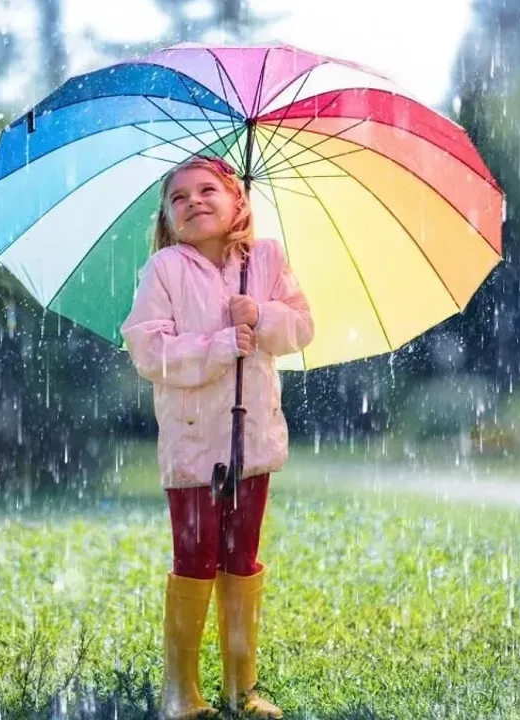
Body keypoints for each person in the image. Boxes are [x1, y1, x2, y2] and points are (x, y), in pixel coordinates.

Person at [121, 155, 314, 719]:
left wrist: (262, 314)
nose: (194, 202)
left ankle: (240, 688)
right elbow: (148, 350)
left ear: (237, 200)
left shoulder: (266, 259)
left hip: (251, 442)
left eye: (208, 190)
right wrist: (218, 345)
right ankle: (180, 693)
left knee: (241, 556)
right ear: (168, 217)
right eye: (178, 198)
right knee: (196, 556)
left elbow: (301, 327)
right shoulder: (164, 270)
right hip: (193, 445)